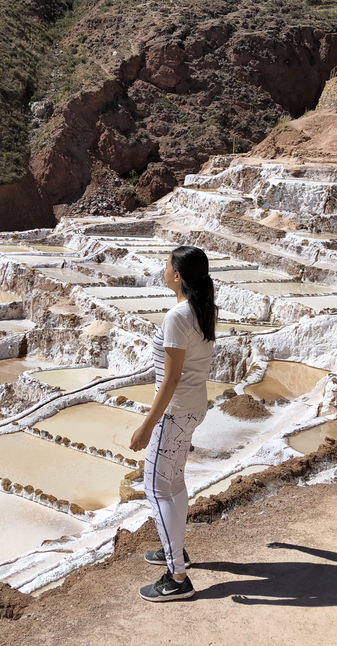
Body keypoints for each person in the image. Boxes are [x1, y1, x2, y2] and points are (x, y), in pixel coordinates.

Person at [131, 245, 218, 602]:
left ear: (178, 276)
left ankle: (177, 577)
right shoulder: (202, 309)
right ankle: (176, 551)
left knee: (155, 488)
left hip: (174, 414)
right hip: (193, 408)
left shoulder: (177, 316)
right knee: (174, 482)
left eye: (167, 266)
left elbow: (171, 378)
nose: (163, 270)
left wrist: (147, 425)